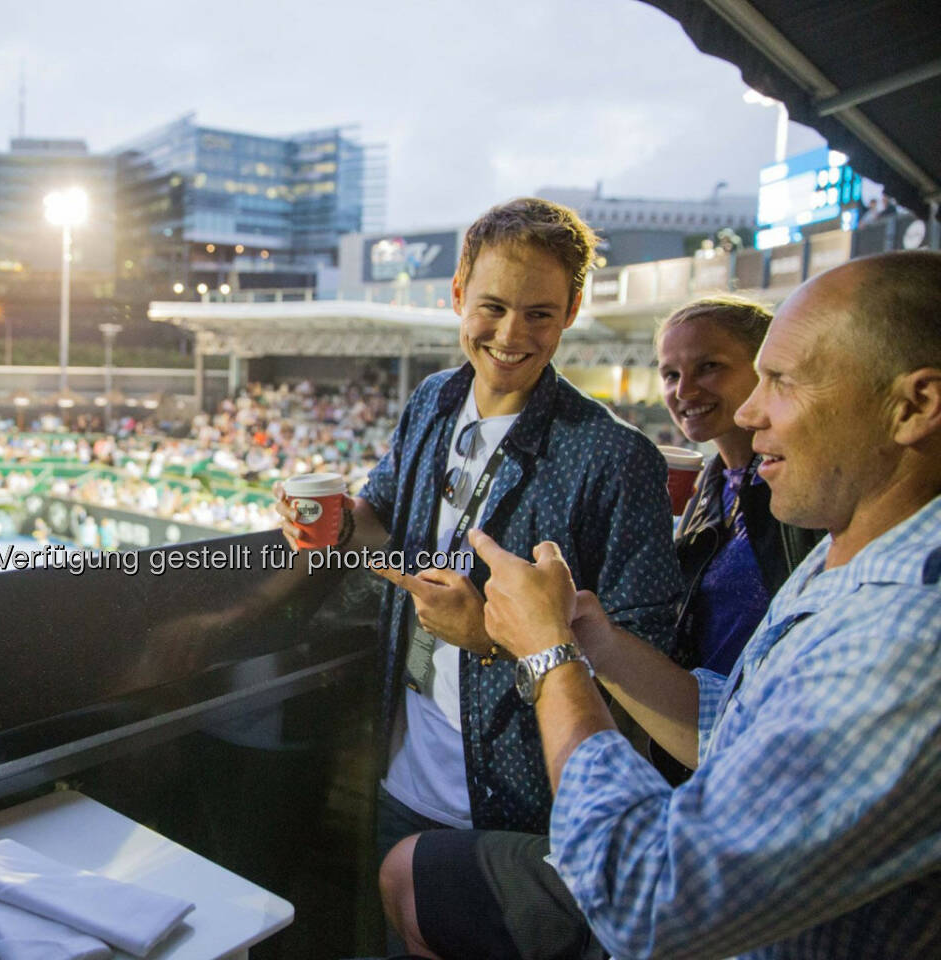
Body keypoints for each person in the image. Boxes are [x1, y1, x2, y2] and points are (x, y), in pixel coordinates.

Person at [411, 250, 941, 960]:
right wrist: (591, 638)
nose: (751, 410)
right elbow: (734, 726)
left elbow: (643, 901)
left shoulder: (906, 640)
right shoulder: (851, 546)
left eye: (779, 381)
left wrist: (548, 656)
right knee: (411, 873)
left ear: (914, 407)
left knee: (413, 874)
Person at [276, 197, 682, 953]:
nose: (511, 335)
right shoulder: (432, 399)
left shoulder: (616, 459)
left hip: (520, 805)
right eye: (493, 306)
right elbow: (381, 518)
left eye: (539, 313)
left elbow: (641, 667)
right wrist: (332, 523)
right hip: (404, 771)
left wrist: (491, 639)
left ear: (572, 312)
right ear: (457, 292)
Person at [658, 296, 825, 677]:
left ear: (766, 369)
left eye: (709, 367)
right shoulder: (709, 488)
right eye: (670, 374)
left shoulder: (805, 489)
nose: (684, 391)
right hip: (699, 721)